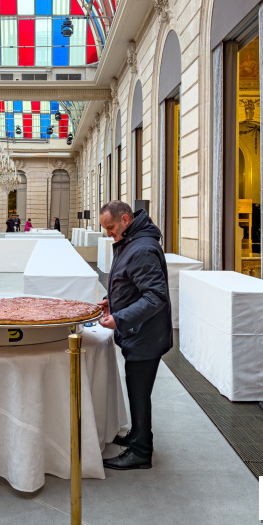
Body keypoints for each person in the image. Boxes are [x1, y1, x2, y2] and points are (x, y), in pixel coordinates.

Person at [97, 200, 172, 470]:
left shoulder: (141, 248)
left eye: (111, 227)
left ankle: (141, 451)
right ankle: (138, 435)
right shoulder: (131, 240)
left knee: (139, 393)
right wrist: (111, 301)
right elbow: (129, 283)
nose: (109, 233)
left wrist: (120, 318)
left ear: (126, 219)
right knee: (135, 389)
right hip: (140, 331)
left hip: (145, 334)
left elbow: (155, 297)